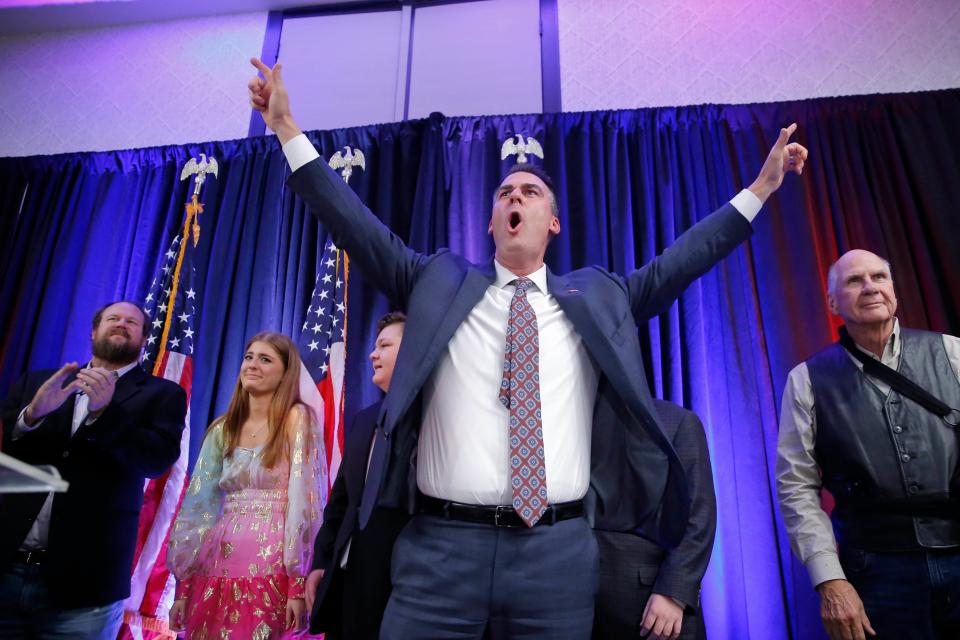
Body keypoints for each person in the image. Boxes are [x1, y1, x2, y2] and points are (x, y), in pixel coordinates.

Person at [248, 57, 807, 639]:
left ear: (553, 222)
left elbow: (683, 260)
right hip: (439, 555)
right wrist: (287, 129)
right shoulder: (438, 283)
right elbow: (354, 224)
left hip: (556, 557)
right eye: (505, 192)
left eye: (531, 191)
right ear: (492, 222)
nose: (516, 196)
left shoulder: (599, 297)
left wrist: (760, 190)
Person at [776, 249, 960, 640]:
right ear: (831, 301)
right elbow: (796, 488)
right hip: (875, 571)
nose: (870, 287)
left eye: (879, 277)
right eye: (854, 280)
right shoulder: (806, 380)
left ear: (894, 289)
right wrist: (829, 580)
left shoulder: (952, 352)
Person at [0, 301, 188, 639]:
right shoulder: (42, 382)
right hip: (8, 571)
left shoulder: (164, 394)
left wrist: (106, 414)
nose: (121, 324)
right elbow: (9, 459)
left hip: (86, 589)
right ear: (92, 331)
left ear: (145, 338)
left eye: (131, 322)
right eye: (112, 318)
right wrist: (30, 417)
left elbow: (156, 460)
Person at [167, 332, 324, 639]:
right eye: (249, 357)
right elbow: (198, 508)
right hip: (216, 565)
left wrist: (296, 582)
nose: (252, 365)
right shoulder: (222, 429)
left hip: (274, 566)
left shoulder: (297, 419)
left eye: (265, 359)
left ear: (285, 374)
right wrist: (183, 588)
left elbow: (306, 502)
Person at [306, 311, 411, 639]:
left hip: (397, 593)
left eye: (384, 345)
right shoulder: (364, 420)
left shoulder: (433, 420)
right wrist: (321, 561)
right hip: (344, 588)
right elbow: (340, 502)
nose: (372, 354)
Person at [593, 399, 716, 640]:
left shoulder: (677, 421)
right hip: (574, 602)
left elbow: (698, 514)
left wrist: (673, 591)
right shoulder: (567, 421)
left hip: (652, 604)